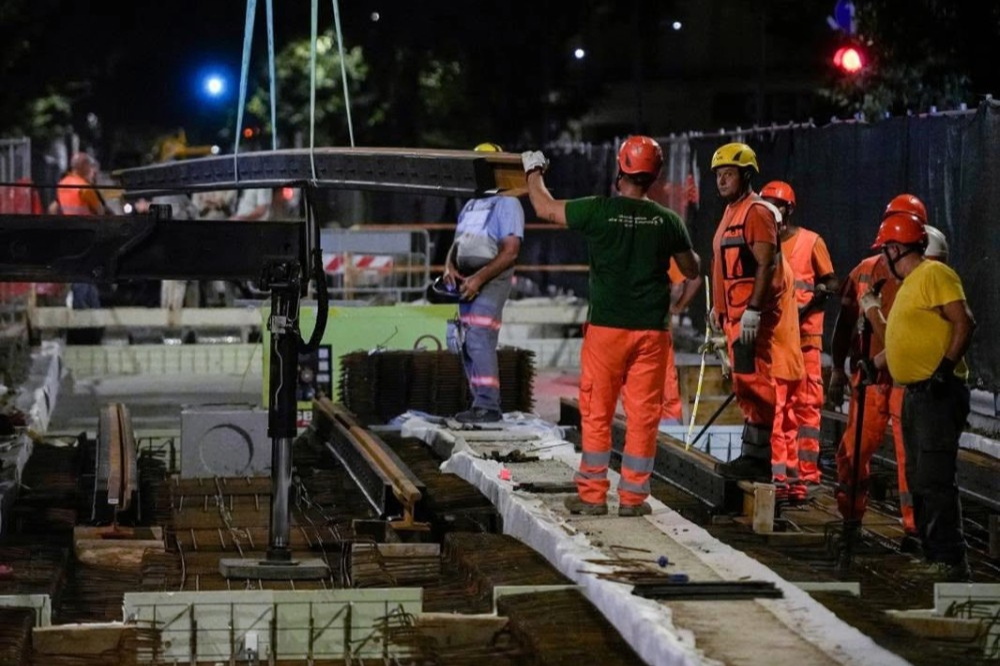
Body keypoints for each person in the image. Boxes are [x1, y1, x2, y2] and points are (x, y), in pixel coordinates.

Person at [522, 136, 700, 517]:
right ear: (654, 175)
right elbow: (692, 271)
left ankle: (592, 496)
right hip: (652, 332)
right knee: (643, 414)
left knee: (598, 412)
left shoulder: (598, 212)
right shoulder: (669, 222)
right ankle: (634, 499)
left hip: (606, 330)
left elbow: (544, 207)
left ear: (621, 170)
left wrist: (533, 171)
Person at [876, 211, 975, 581]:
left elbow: (965, 322)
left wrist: (943, 371)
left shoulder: (934, 274)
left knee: (934, 478)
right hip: (917, 395)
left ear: (897, 248)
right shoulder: (912, 284)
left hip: (937, 393)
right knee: (919, 478)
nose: (884, 259)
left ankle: (949, 561)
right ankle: (934, 555)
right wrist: (875, 362)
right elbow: (906, 339)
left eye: (886, 250)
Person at [829, 194, 926, 550]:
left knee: (909, 458)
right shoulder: (865, 271)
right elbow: (843, 325)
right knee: (854, 453)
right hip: (871, 377)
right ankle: (852, 519)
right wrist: (838, 370)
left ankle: (915, 530)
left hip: (905, 378)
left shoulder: (924, 276)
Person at [708, 143, 802, 483]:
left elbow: (766, 263)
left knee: (756, 384)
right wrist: (718, 310)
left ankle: (758, 461)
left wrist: (753, 310)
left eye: (728, 174)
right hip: (733, 317)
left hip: (749, 319)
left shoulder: (756, 211)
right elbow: (724, 266)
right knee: (744, 384)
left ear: (746, 175)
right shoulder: (732, 211)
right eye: (719, 174)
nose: (721, 180)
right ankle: (752, 456)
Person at [762, 181, 838, 489]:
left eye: (775, 206)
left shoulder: (810, 242)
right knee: (779, 410)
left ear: (788, 210)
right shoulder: (763, 243)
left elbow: (831, 281)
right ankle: (783, 476)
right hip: (777, 342)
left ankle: (806, 477)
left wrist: (812, 304)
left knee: (806, 408)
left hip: (805, 340)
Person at [443, 142, 525, 424]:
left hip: (490, 279)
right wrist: (449, 267)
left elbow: (511, 251)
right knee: (466, 341)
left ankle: (489, 406)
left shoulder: (508, 203)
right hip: (467, 280)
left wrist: (479, 279)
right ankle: (479, 403)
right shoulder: (471, 205)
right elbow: (458, 243)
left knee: (479, 338)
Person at [57, 152, 105, 309]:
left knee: (80, 272)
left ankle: (92, 308)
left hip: (69, 233)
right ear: (84, 166)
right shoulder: (84, 187)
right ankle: (83, 310)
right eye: (89, 166)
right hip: (87, 234)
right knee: (85, 273)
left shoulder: (62, 184)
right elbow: (100, 211)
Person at [660, 263, 702, 427]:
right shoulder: (663, 243)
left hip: (628, 328)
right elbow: (693, 278)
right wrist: (676, 307)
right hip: (658, 327)